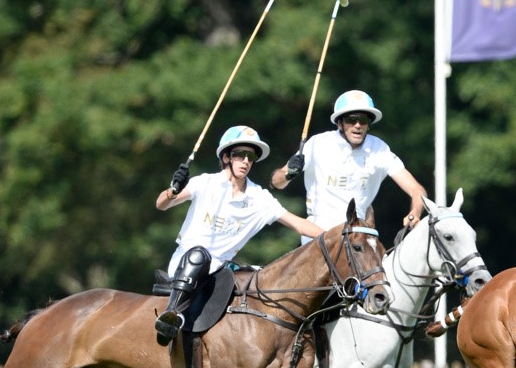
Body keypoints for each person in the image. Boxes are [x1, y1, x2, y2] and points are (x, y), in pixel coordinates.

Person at [153, 125, 325, 346]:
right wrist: (172, 191)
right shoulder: (205, 182)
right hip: (187, 264)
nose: (245, 161)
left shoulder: (258, 198)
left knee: (262, 279)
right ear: (226, 157)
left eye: (251, 156)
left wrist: (338, 235)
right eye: (239, 155)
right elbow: (161, 204)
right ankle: (172, 314)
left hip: (221, 271)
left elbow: (300, 225)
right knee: (199, 255)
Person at [270, 89, 427, 238]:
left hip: (358, 233)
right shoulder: (318, 143)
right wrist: (289, 173)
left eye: (363, 120)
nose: (358, 125)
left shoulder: (379, 148)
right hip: (317, 231)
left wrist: (415, 212)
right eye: (352, 120)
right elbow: (276, 183)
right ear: (339, 123)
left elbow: (416, 189)